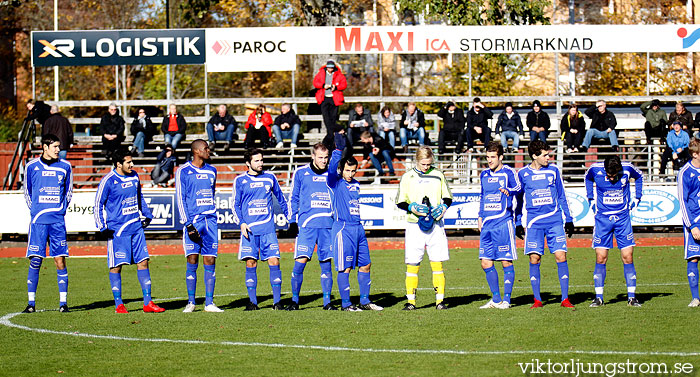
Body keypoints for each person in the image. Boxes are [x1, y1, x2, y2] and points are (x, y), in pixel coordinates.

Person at [93, 149, 164, 314]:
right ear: (118, 164)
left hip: (136, 227)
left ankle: (148, 302)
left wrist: (147, 214)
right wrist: (102, 227)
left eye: (132, 161)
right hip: (118, 230)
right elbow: (97, 204)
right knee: (117, 266)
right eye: (128, 162)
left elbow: (139, 197)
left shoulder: (134, 176)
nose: (132, 165)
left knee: (144, 262)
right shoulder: (108, 181)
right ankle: (119, 304)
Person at [515, 140, 575, 309]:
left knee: (560, 256)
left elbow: (562, 195)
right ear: (534, 156)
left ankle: (565, 299)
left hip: (555, 221)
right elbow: (518, 200)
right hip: (534, 223)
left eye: (548, 154)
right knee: (535, 258)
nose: (549, 157)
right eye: (545, 155)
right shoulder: (523, 174)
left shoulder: (554, 171)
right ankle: (537, 300)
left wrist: (569, 219)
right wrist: (518, 222)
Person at [327, 132, 383, 311]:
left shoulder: (356, 183)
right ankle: (346, 304)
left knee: (366, 264)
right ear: (341, 170)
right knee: (345, 268)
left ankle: (365, 301)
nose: (350, 174)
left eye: (353, 170)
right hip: (343, 227)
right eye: (347, 170)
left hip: (358, 228)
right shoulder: (335, 182)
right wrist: (338, 150)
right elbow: (330, 170)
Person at [395, 146, 452, 310]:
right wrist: (411, 207)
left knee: (437, 262)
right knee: (412, 263)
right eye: (423, 164)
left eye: (428, 164)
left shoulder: (438, 175)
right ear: (417, 161)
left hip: (435, 225)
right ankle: (411, 302)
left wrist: (444, 207)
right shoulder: (408, 177)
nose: (426, 167)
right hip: (414, 225)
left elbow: (447, 197)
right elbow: (400, 201)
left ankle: (440, 301)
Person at [22, 134, 73, 313]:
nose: (58, 150)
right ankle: (31, 304)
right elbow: (27, 191)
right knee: (36, 260)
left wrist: (60, 211)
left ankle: (63, 303)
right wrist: (35, 211)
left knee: (60, 260)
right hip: (38, 221)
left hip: (57, 221)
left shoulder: (65, 166)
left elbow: (68, 192)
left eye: (59, 147)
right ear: (45, 147)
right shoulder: (31, 167)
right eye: (55, 147)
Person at [232, 148, 288, 310]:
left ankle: (277, 302)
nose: (261, 163)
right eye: (256, 161)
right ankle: (253, 302)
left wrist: (290, 217)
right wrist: (241, 222)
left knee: (274, 261)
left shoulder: (270, 178)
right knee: (251, 263)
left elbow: (281, 199)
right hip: (249, 231)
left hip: (268, 229)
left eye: (262, 160)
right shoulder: (240, 181)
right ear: (247, 163)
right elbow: (235, 204)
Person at [585, 155, 643, 307]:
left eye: (615, 176)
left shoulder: (628, 168)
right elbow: (587, 178)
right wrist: (590, 199)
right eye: (609, 176)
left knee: (628, 256)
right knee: (601, 257)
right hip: (602, 220)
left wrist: (637, 198)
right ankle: (599, 298)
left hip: (623, 219)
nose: (612, 179)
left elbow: (640, 176)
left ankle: (632, 297)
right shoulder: (595, 169)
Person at [286, 143, 335, 310]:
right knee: (300, 263)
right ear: (313, 156)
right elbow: (293, 197)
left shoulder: (332, 173)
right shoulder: (301, 173)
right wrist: (292, 221)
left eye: (326, 157)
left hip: (327, 226)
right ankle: (294, 301)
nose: (323, 160)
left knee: (326, 264)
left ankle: (327, 302)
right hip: (306, 226)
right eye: (320, 157)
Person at [176, 140, 223, 313]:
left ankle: (209, 303)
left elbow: (212, 193)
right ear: (196, 151)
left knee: (210, 259)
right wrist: (187, 224)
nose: (208, 151)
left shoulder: (212, 170)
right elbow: (180, 198)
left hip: (210, 221)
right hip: (193, 221)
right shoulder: (183, 171)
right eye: (205, 148)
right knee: (192, 259)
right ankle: (191, 302)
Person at [477, 142, 521, 309]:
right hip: (487, 223)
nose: (489, 161)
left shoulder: (508, 172)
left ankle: (507, 300)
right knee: (486, 262)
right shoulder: (484, 174)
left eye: (493, 157)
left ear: (501, 157)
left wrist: (509, 190)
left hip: (503, 222)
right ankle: (496, 299)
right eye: (487, 157)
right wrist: (480, 216)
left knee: (505, 261)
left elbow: (518, 187)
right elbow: (483, 195)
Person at [678, 138, 700, 307]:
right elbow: (682, 201)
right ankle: (695, 298)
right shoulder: (685, 172)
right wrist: (692, 226)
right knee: (693, 258)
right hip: (695, 221)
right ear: (694, 154)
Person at [313, 60, 347, 135]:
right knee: (326, 118)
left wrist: (336, 87)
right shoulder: (321, 73)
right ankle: (339, 128)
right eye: (329, 68)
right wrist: (323, 86)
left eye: (332, 68)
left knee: (333, 118)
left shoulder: (339, 74)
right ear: (326, 67)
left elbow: (344, 84)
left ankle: (330, 136)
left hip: (334, 98)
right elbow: (315, 83)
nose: (330, 69)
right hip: (324, 97)